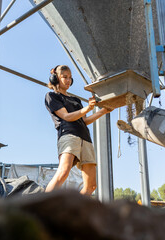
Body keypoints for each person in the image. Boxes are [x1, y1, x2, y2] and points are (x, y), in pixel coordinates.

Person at [44, 65, 113, 195]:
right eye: (64, 77)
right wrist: (88, 108)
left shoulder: (75, 100)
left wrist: (104, 111)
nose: (68, 80)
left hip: (85, 138)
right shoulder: (52, 96)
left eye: (70, 78)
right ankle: (41, 207)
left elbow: (84, 121)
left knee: (91, 186)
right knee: (64, 171)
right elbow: (67, 117)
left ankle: (73, 213)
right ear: (55, 78)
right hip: (68, 135)